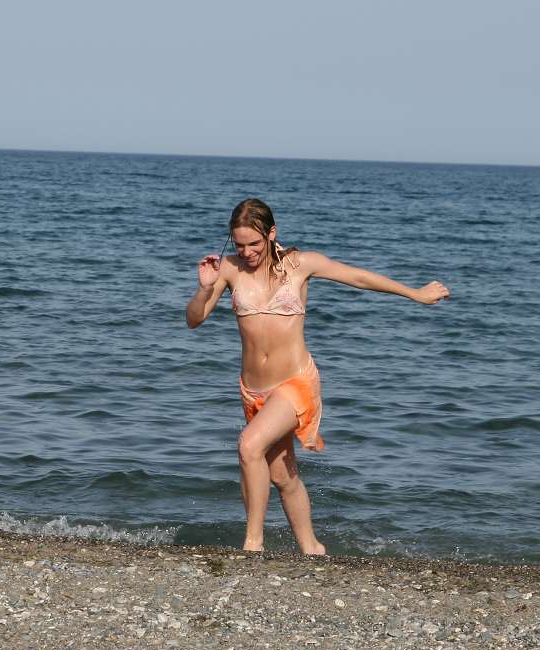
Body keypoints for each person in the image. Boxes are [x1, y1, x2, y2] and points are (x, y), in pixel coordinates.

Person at [185, 198, 448, 554]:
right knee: (281, 475)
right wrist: (204, 288)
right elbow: (194, 320)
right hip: (253, 390)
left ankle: (253, 545)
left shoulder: (301, 264)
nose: (247, 252)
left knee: (249, 445)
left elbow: (358, 277)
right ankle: (312, 548)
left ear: (271, 233)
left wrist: (415, 293)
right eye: (239, 244)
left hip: (294, 382)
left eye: (254, 244)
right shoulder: (228, 269)